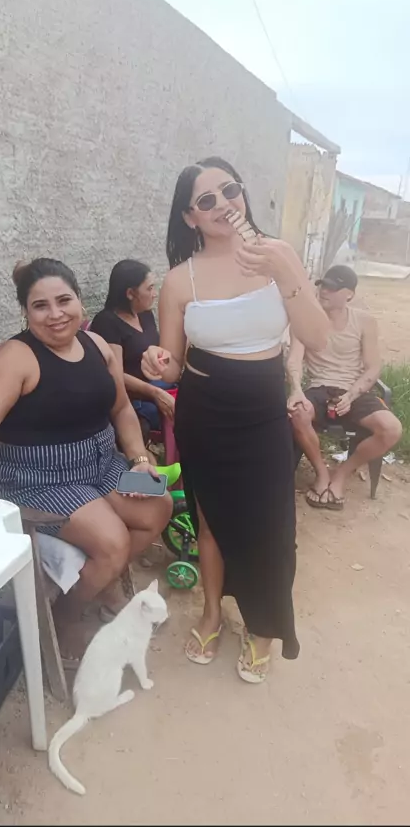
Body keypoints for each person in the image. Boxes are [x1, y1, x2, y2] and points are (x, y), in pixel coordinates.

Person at [141, 156, 329, 682]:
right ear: (190, 217)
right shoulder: (179, 280)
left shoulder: (279, 255)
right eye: (206, 200)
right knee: (211, 523)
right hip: (204, 413)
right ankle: (210, 614)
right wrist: (155, 362)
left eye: (230, 190)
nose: (223, 204)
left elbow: (316, 338)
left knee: (270, 525)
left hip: (264, 412)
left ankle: (263, 626)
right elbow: (172, 361)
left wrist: (286, 272)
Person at [0, 258, 172, 660]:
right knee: (111, 542)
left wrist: (139, 458)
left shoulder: (96, 346)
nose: (55, 314)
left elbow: (121, 409)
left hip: (99, 464)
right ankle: (65, 616)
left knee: (158, 507)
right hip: (34, 478)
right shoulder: (15, 358)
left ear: (79, 300)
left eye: (64, 300)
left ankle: (101, 583)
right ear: (26, 312)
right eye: (40, 305)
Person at [287, 264, 402, 510]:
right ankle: (322, 474)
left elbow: (373, 367)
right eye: (323, 286)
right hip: (320, 388)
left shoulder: (364, 321)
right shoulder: (305, 320)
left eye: (332, 288)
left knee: (391, 429)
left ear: (349, 294)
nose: (324, 291)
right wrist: (296, 389)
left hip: (355, 390)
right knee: (298, 413)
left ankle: (341, 474)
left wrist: (351, 394)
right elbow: (294, 360)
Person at [91, 259, 175, 443]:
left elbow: (161, 351)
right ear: (130, 293)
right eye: (149, 288)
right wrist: (154, 393)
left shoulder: (145, 314)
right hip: (134, 399)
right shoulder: (107, 323)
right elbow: (116, 375)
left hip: (160, 385)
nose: (154, 294)